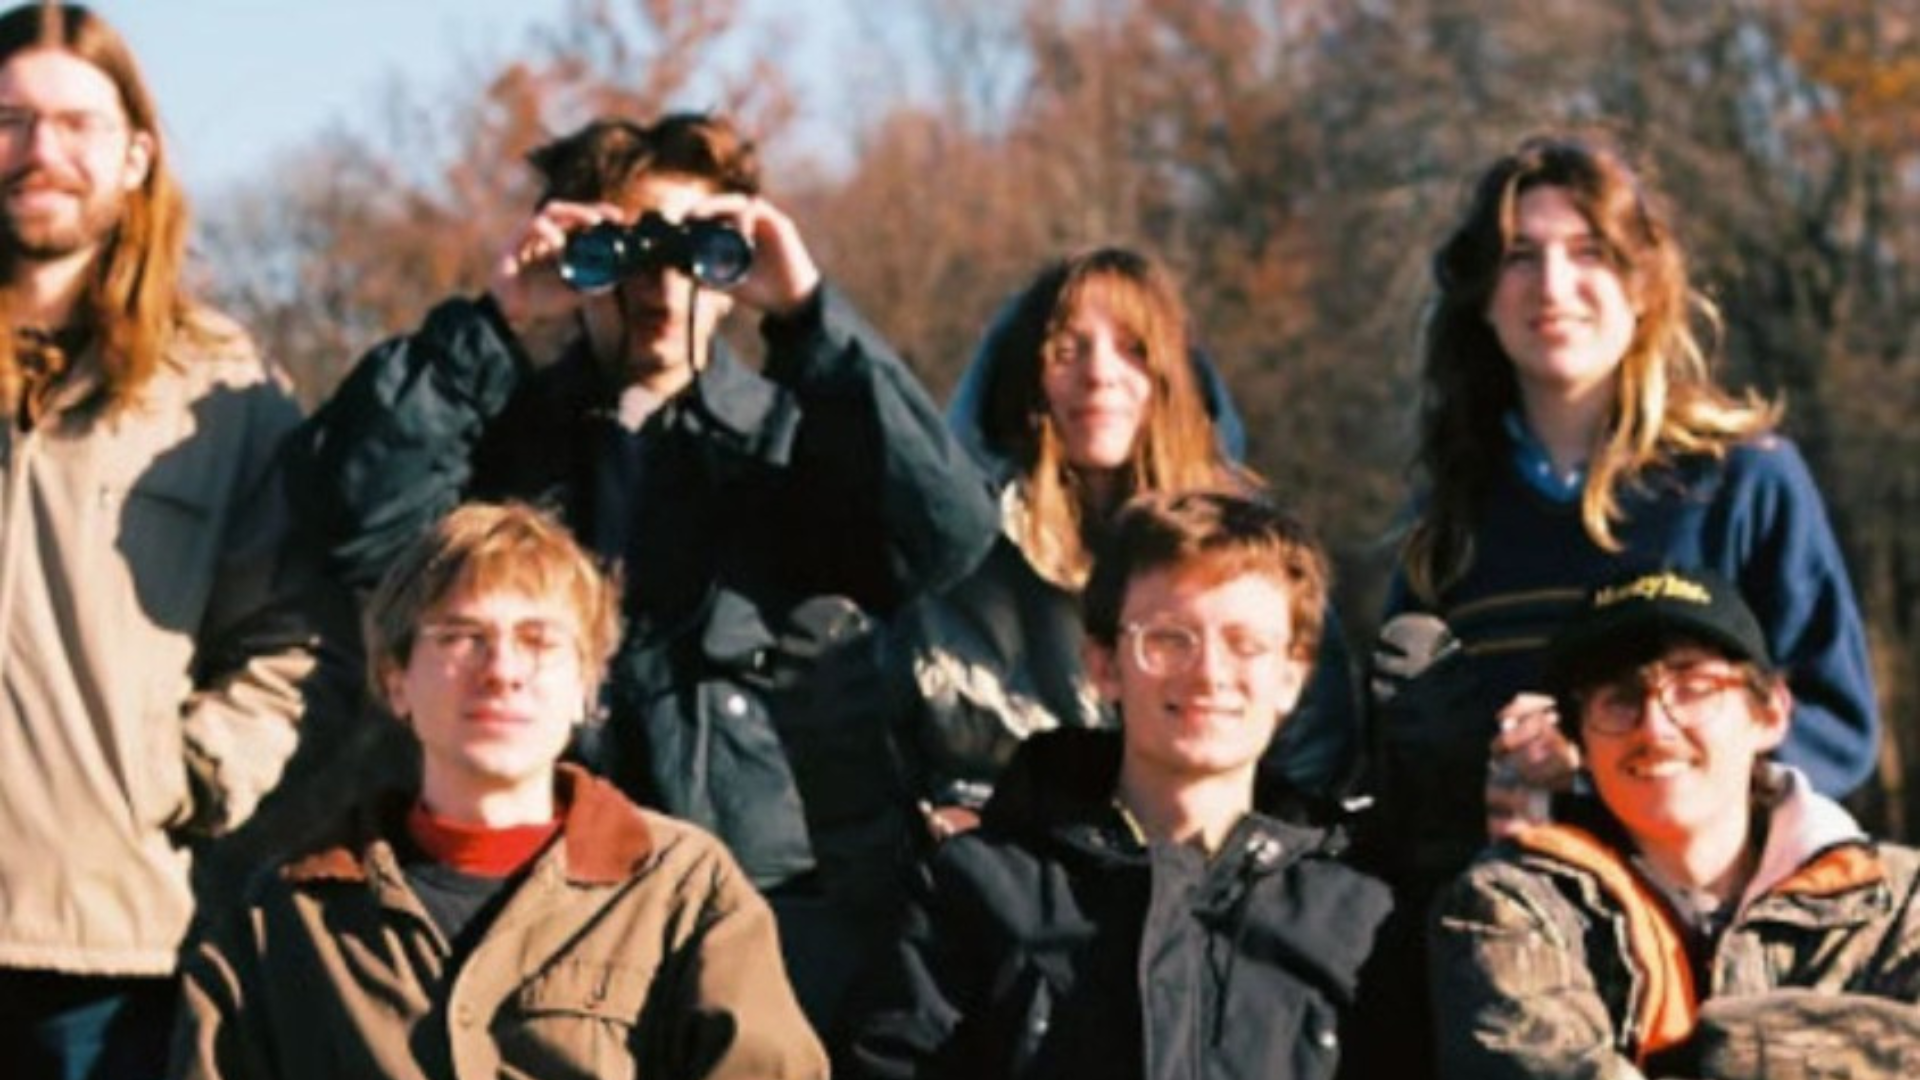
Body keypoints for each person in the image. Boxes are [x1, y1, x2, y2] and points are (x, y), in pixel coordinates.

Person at [283, 112, 997, 1027]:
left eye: (696, 247)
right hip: (537, 905)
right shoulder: (500, 446)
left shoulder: (798, 438)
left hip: (772, 905)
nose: (661, 281)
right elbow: (350, 524)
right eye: (625, 250)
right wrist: (493, 322)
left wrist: (811, 314)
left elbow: (947, 536)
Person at [174, 502, 827, 1080]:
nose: (502, 671)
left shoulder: (681, 891)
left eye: (538, 641)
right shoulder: (284, 919)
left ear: (586, 687)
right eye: (462, 638)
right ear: (396, 680)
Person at [0, 6, 332, 1078]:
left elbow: (291, 634)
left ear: (136, 154)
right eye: (8, 121)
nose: (40, 151)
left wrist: (183, 774)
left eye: (76, 124)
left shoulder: (218, 387)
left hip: (99, 950)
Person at [847, 490, 1392, 1080]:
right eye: (1169, 639)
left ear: (1292, 676)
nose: (1209, 673)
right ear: (1105, 665)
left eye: (1246, 645)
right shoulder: (981, 890)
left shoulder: (1359, 916)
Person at [904, 246, 1358, 839]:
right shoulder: (957, 562)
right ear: (1026, 379)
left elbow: (1314, 757)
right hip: (1008, 872)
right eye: (1066, 351)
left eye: (1134, 349)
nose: (1099, 374)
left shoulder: (1258, 556)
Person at [1430, 566, 1920, 1080]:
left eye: (1693, 688)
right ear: (1579, 743)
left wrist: (1734, 1051)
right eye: (1620, 699)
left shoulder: (1897, 902)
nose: (1656, 727)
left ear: (1771, 712)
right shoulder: (1512, 908)